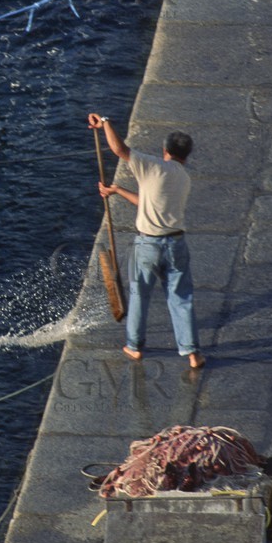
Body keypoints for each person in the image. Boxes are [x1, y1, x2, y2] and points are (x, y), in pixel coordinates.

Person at [87, 113, 203, 369]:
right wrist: (117, 190)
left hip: (148, 245)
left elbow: (119, 149)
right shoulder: (183, 178)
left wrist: (105, 121)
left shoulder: (152, 166)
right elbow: (146, 202)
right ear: (186, 155)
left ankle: (134, 346)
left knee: (140, 294)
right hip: (176, 244)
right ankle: (193, 353)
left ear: (164, 150)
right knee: (181, 298)